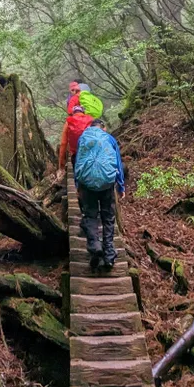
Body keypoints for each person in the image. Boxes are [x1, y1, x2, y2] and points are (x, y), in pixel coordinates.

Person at [73, 119, 125, 272]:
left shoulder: (83, 138)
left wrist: (77, 184)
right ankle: (109, 254)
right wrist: (121, 185)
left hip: (87, 183)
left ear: (90, 127)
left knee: (90, 215)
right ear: (103, 127)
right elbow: (118, 162)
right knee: (108, 217)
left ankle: (94, 245)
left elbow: (78, 162)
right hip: (107, 183)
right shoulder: (109, 138)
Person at [58, 104, 94, 174]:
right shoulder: (90, 120)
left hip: (76, 155)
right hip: (91, 154)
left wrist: (61, 163)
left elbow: (63, 143)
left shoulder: (69, 122)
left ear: (73, 113)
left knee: (78, 178)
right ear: (83, 112)